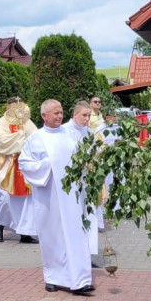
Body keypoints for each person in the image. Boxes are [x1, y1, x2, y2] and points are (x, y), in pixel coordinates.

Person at [19, 100, 94, 295]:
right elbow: (25, 164)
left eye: (61, 112)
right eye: (55, 113)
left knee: (76, 235)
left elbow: (83, 158)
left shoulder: (72, 134)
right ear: (44, 116)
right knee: (53, 236)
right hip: (48, 197)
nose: (60, 116)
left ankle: (81, 279)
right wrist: (49, 164)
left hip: (72, 197)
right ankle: (53, 277)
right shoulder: (36, 138)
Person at [0, 97, 39, 243]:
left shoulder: (26, 121)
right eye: (13, 108)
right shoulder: (1, 123)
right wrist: (19, 137)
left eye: (19, 107)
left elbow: (36, 137)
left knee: (25, 200)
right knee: (5, 198)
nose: (16, 111)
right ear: (8, 108)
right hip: (7, 163)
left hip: (23, 165)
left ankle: (25, 233)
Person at [62, 101, 103, 248]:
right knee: (73, 215)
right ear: (75, 114)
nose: (87, 119)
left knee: (88, 215)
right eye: (84, 115)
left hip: (87, 180)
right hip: (71, 180)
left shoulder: (89, 132)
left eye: (89, 116)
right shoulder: (64, 131)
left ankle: (88, 252)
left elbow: (94, 151)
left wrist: (95, 158)